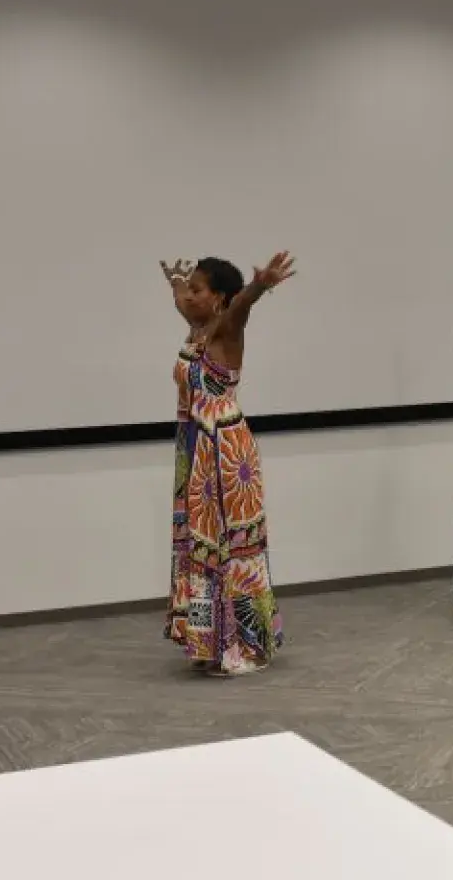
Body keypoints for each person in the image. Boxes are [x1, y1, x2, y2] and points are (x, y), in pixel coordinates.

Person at [160, 251, 296, 677]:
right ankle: (206, 641)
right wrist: (179, 285)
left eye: (200, 290)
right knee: (200, 550)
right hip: (196, 450)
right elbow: (183, 303)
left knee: (234, 550)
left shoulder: (226, 330)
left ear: (219, 298)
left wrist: (258, 286)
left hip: (226, 451)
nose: (190, 298)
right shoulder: (197, 327)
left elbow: (241, 307)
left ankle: (247, 646)